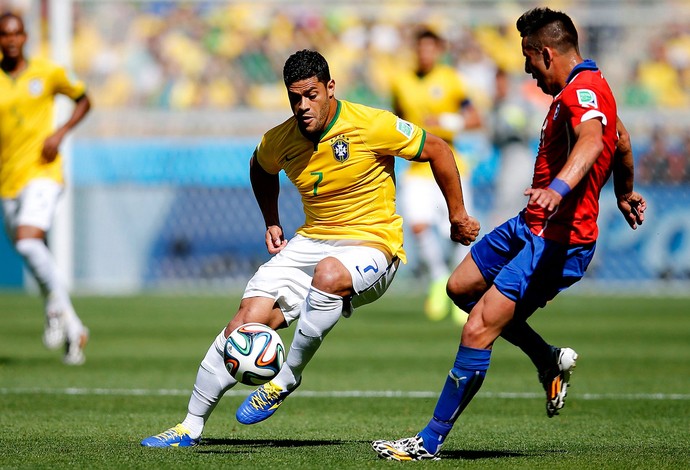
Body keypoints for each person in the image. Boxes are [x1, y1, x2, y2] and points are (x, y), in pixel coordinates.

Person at [141, 49, 480, 447]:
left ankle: (285, 379)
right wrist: (271, 219)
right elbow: (259, 167)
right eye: (294, 98)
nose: (303, 106)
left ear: (330, 87)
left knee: (330, 274)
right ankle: (189, 426)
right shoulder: (279, 139)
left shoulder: (371, 124)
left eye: (311, 94)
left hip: (374, 244)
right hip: (312, 240)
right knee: (244, 324)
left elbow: (438, 149)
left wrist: (457, 215)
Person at [372, 7, 647, 460]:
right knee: (461, 288)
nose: (526, 69)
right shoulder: (589, 90)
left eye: (528, 59)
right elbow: (620, 139)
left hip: (559, 241)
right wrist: (625, 191)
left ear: (545, 52)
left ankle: (428, 442)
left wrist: (559, 189)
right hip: (531, 224)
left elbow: (596, 142)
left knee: (478, 328)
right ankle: (547, 359)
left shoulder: (583, 92)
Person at [0, 12, 91, 365]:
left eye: (15, 33)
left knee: (27, 239)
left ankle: (64, 316)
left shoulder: (47, 72)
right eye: (3, 34)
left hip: (44, 171)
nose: (10, 40)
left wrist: (59, 133)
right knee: (33, 251)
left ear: (24, 37)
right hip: (8, 181)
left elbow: (84, 98)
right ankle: (66, 318)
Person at [391, 27, 483, 324]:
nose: (425, 54)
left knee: (459, 229)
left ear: (438, 51)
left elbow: (474, 118)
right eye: (420, 48)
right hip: (417, 169)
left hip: (450, 167)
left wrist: (445, 121)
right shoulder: (401, 82)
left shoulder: (450, 79)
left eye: (430, 48)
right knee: (418, 226)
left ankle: (460, 289)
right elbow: (397, 119)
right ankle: (438, 280)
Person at [489, 68, 536, 226]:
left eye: (501, 83)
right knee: (506, 205)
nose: (498, 87)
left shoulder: (518, 102)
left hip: (520, 155)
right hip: (506, 158)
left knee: (512, 203)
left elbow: (530, 126)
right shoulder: (497, 106)